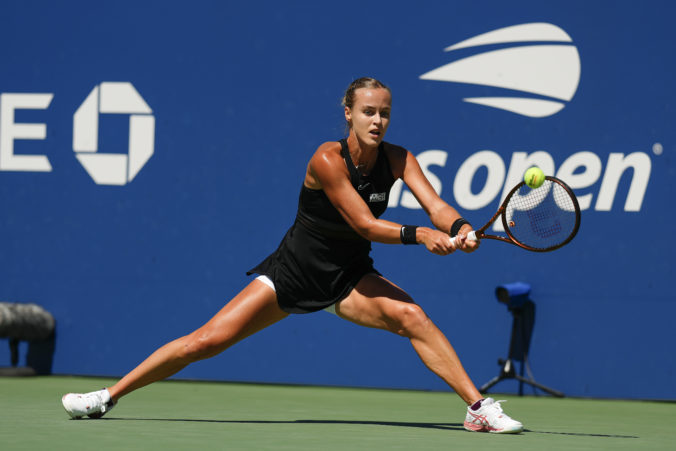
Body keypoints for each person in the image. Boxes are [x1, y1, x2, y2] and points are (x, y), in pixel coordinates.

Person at [62, 77, 523, 434]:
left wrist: (460, 228)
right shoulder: (327, 159)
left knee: (413, 317)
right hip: (293, 272)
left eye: (384, 113)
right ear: (348, 114)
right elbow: (363, 223)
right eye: (368, 112)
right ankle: (108, 395)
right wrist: (419, 235)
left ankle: (478, 409)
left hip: (348, 277)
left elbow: (437, 206)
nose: (377, 121)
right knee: (206, 342)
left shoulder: (400, 159)